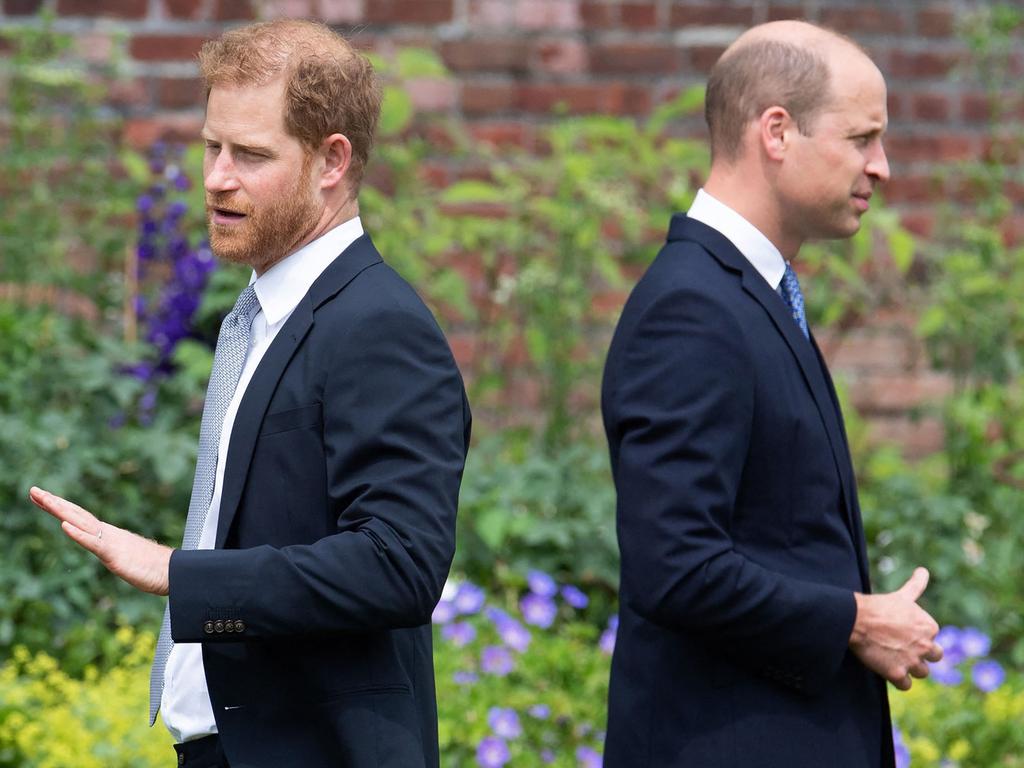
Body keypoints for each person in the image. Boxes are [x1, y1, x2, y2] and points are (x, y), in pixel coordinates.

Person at [30, 19, 470, 768]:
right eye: (212, 146)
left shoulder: (378, 324)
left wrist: (179, 573)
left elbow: (399, 565)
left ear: (333, 160)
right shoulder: (263, 315)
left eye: (251, 155)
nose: (216, 177)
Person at [601, 20, 942, 768]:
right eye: (862, 138)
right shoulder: (691, 309)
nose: (881, 167)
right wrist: (854, 621)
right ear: (777, 132)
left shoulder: (749, 294)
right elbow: (676, 565)